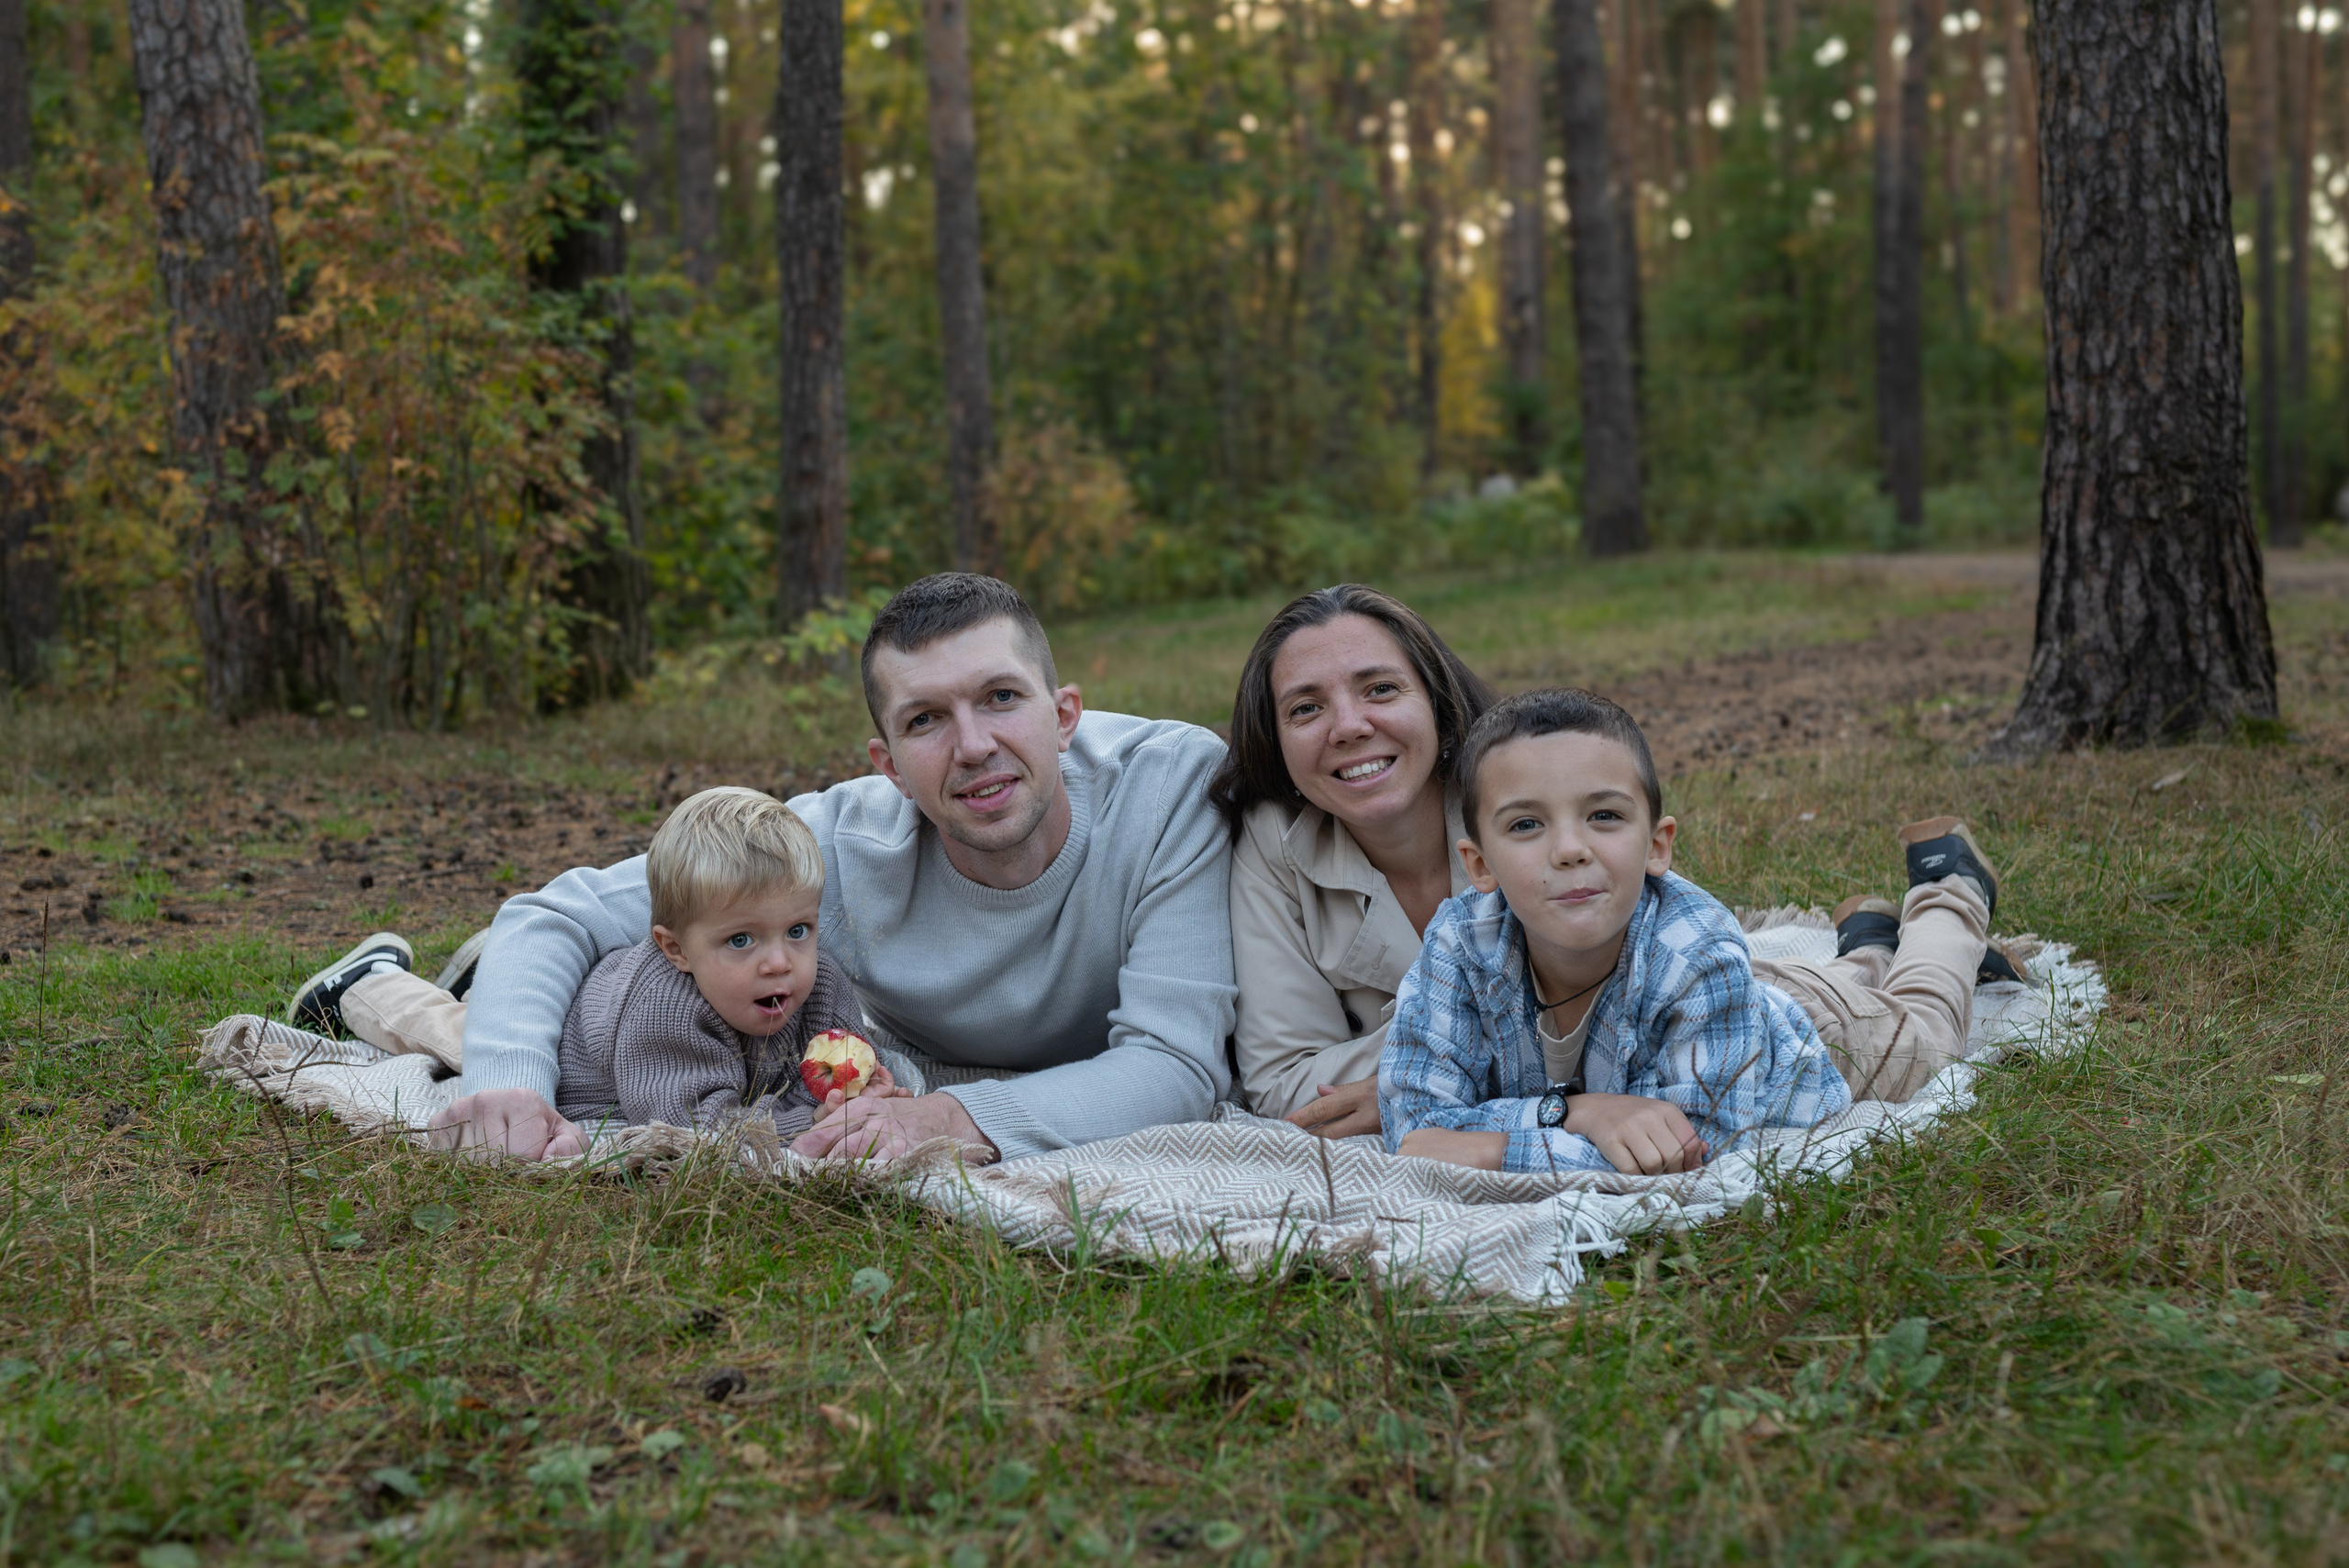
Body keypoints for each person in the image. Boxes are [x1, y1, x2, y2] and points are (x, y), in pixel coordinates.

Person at [418, 573, 1238, 1162]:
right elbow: (555, 912)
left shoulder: (1169, 788)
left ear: (1064, 716)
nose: (975, 744)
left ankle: (417, 992)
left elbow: (1176, 1064)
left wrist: (946, 1119)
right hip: (691, 1026)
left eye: (1001, 697)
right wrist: (511, 1085)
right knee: (519, 1019)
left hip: (940, 1079)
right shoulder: (843, 838)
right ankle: (420, 991)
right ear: (887, 764)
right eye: (927, 719)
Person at [1381, 687, 2010, 1174]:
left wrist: (1491, 1147)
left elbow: (1685, 1148)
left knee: (1927, 1022)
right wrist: (1578, 1112)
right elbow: (1415, 1121)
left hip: (1821, 1037)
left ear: (1657, 846)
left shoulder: (1700, 954)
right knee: (1817, 982)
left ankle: (1949, 892)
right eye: (1525, 825)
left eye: (1603, 815)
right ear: (1479, 865)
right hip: (1729, 1008)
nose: (1569, 849)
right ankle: (1870, 943)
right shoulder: (1461, 940)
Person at [289, 786, 905, 1141]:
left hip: (614, 1004)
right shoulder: (666, 1007)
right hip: (581, 1050)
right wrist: (812, 1127)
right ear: (676, 949)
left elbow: (829, 1066)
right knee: (450, 1040)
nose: (780, 962)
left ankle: (482, 977)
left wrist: (850, 1096)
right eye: (741, 940)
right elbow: (699, 1131)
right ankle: (367, 983)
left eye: (798, 929)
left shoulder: (815, 973)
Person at [1207, 584, 1495, 1140]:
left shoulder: (1520, 799)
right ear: (1276, 741)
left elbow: (1635, 991)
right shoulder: (1274, 843)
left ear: (1437, 702)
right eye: (1306, 708)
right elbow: (1286, 1086)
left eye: (1381, 689)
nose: (1349, 726)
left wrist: (1417, 1083)